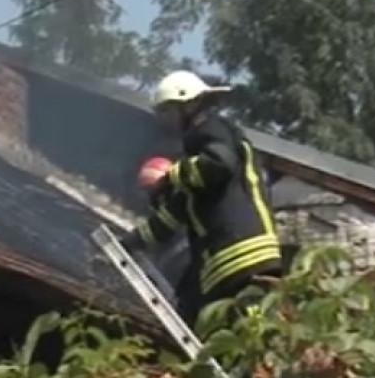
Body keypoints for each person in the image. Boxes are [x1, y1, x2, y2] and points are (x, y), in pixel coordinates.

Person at [120, 70, 283, 327]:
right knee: (208, 322)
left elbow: (219, 164)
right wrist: (128, 243)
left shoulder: (211, 128)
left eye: (166, 111)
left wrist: (172, 175)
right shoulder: (195, 172)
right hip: (225, 266)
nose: (163, 120)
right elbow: (169, 219)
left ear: (189, 104)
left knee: (252, 333)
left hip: (242, 254)